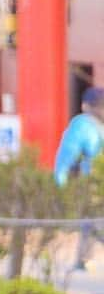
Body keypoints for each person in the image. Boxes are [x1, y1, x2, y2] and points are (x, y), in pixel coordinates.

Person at [55, 85, 104, 270]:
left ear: (85, 105)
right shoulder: (94, 126)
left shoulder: (81, 124)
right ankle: (83, 257)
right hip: (95, 185)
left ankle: (83, 257)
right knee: (91, 223)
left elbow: (66, 157)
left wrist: (61, 185)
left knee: (91, 222)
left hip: (91, 184)